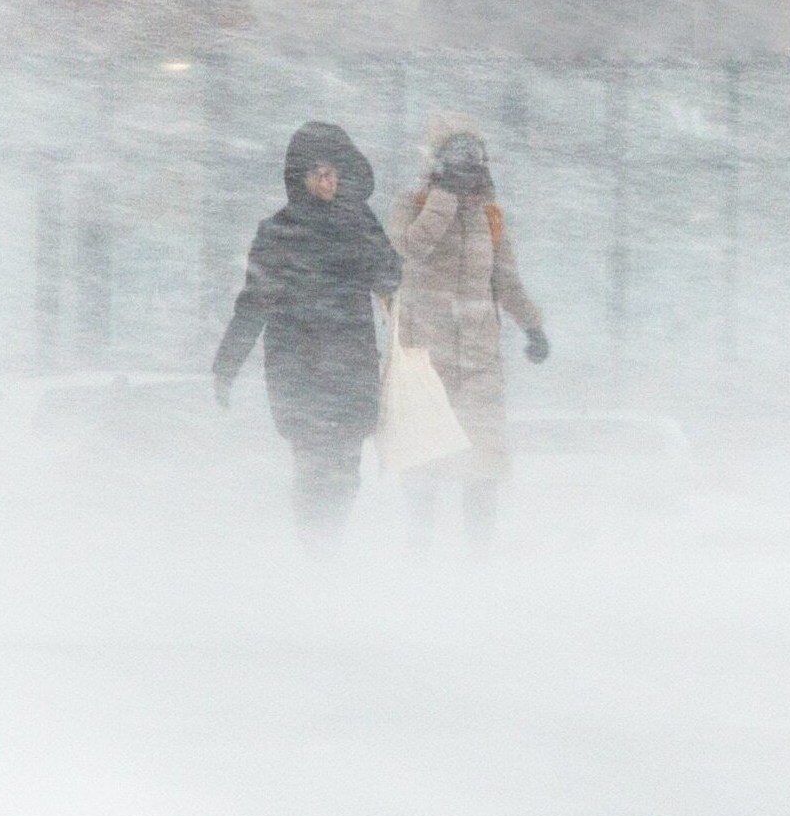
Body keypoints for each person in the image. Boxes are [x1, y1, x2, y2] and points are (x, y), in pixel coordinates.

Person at [214, 122, 402, 552]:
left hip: (351, 365)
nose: (327, 181)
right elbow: (253, 303)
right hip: (299, 368)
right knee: (313, 466)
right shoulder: (278, 233)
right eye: (318, 172)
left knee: (347, 471)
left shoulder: (357, 224)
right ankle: (316, 551)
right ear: (300, 177)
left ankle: (326, 548)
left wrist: (363, 225)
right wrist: (227, 363)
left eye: (334, 172)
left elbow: (391, 277)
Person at [391, 118, 548, 552]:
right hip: (426, 355)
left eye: (474, 162)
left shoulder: (490, 218)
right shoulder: (413, 203)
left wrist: (532, 325)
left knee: (483, 461)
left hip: (480, 361)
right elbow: (410, 248)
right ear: (439, 165)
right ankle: (420, 548)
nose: (469, 171)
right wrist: (442, 200)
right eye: (458, 162)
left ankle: (479, 553)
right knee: (425, 457)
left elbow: (507, 279)